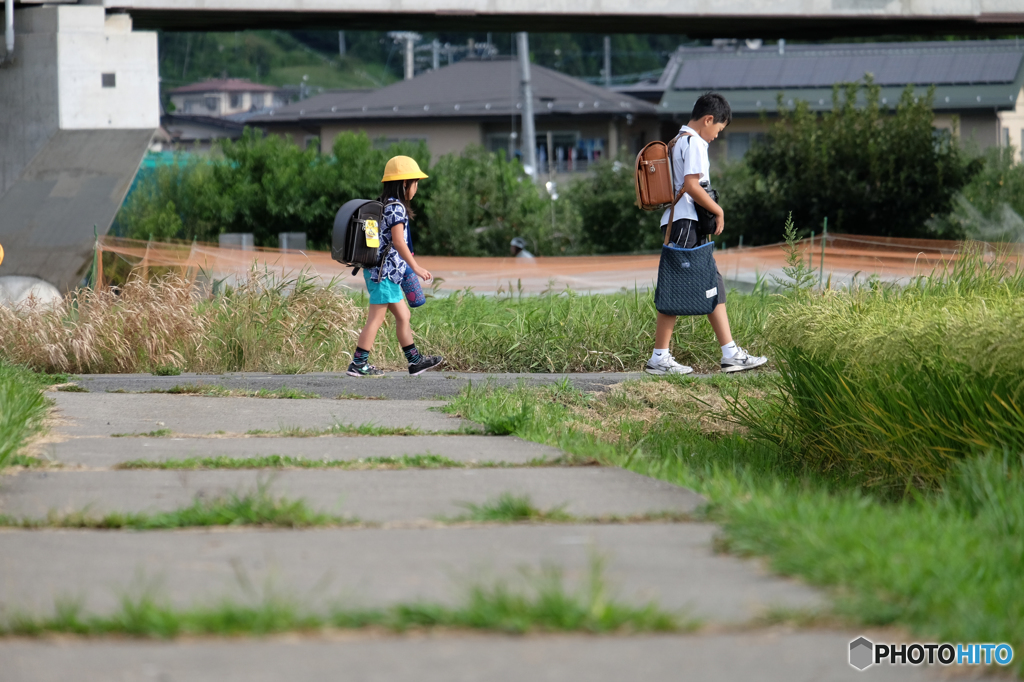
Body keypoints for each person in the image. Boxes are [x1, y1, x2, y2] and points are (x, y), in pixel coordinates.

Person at [646, 93, 768, 375]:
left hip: (680, 221)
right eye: (718, 130)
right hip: (686, 222)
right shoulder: (695, 143)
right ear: (708, 120)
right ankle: (659, 357)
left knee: (713, 283)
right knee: (676, 286)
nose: (716, 136)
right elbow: (691, 185)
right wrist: (719, 210)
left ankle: (730, 353)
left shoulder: (678, 140)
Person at [347, 156, 444, 377]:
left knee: (403, 316)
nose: (416, 188)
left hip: (381, 272)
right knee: (377, 318)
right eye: (415, 182)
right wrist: (417, 268)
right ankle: (358, 364)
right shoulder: (396, 208)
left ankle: (415, 362)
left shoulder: (383, 204)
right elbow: (399, 242)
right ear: (404, 183)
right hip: (385, 274)